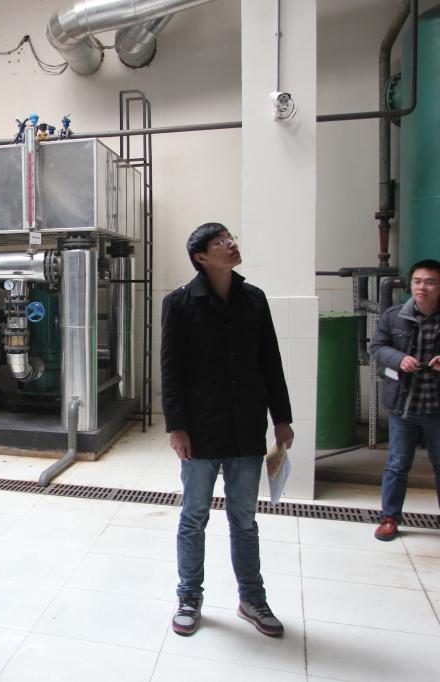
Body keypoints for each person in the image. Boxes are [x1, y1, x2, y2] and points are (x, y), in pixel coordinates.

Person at [161, 222, 293, 638]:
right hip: (200, 430)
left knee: (245, 520)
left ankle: (252, 599)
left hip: (246, 427)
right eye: (220, 242)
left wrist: (282, 417)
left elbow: (270, 361)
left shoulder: (254, 299)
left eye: (230, 237)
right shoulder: (179, 303)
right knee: (194, 517)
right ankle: (188, 597)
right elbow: (171, 370)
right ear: (201, 257)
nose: (231, 244)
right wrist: (177, 427)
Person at [370, 258, 440, 541]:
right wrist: (399, 359)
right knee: (398, 464)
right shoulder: (394, 315)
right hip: (404, 406)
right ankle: (389, 518)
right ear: (410, 284)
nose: (422, 287)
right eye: (417, 281)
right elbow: (377, 347)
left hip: (436, 408)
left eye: (430, 282)